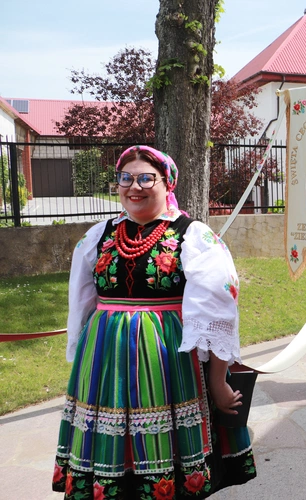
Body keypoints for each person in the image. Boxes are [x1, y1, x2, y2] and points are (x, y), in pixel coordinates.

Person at [52, 146, 257, 499]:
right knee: (112, 447)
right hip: (105, 361)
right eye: (125, 178)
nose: (134, 186)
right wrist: (83, 359)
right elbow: (82, 303)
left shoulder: (194, 236)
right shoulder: (99, 235)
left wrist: (219, 380)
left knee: (166, 454)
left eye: (146, 178)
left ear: (167, 183)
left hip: (166, 364)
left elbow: (218, 311)